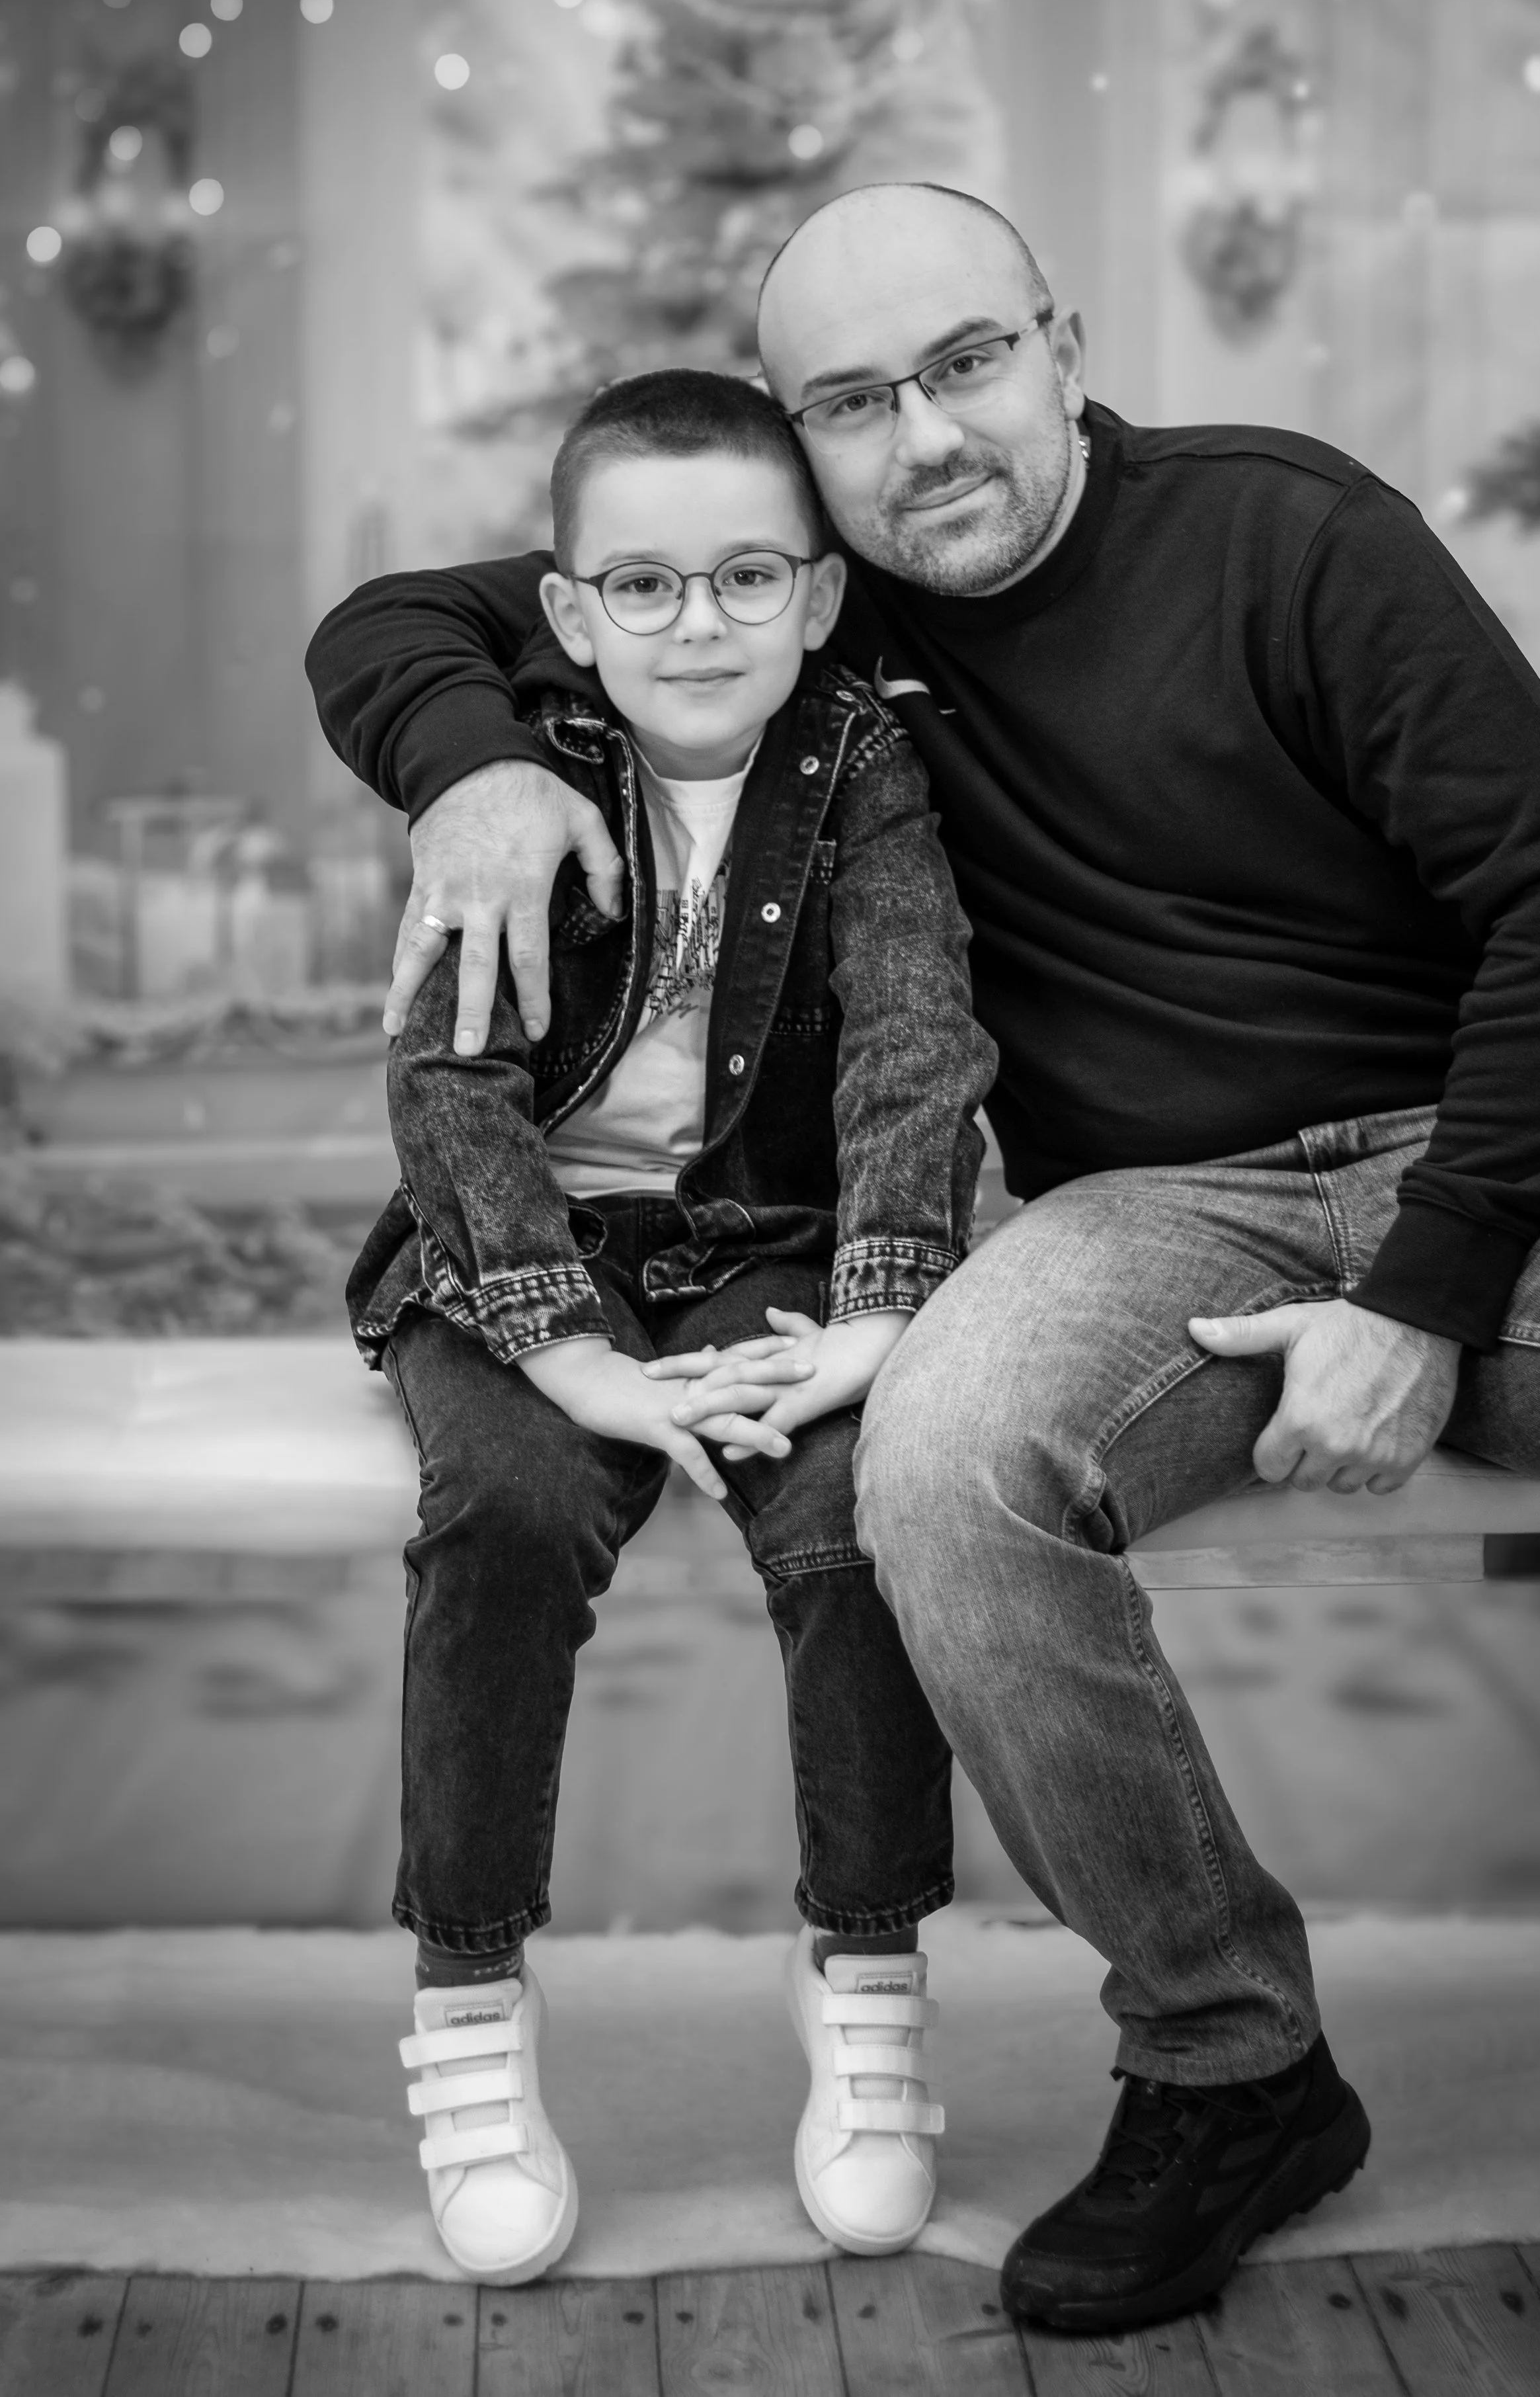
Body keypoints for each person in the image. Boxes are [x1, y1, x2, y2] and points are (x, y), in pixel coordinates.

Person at [309, 185, 1540, 2392]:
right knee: (935, 1455)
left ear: (1059, 339)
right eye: (850, 399)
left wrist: (1418, 1290)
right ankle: (1229, 2063)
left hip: (1495, 1160)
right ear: (801, 457)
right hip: (1159, 1211)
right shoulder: (800, 614)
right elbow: (399, 618)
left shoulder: (1287, 536)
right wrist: (462, 768)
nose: (924, 434)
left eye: (961, 364)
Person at [343, 366, 995, 2286]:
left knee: (852, 1509)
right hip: (514, 1252)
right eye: (641, 586)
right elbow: (448, 1087)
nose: (694, 623)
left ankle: (864, 1980)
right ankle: (469, 2011)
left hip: (769, 1242)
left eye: (742, 578)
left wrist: (878, 1310)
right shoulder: (516, 773)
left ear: (816, 595)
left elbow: (911, 1035)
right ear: (569, 609)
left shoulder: (864, 763)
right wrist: (564, 1352)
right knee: (508, 1513)